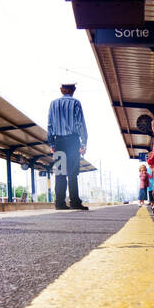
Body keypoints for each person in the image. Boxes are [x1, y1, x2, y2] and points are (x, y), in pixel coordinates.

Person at [47, 82, 88, 211]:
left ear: (61, 90)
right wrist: (83, 142)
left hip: (58, 141)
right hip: (72, 140)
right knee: (72, 173)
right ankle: (74, 202)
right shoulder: (76, 102)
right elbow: (80, 123)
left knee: (60, 172)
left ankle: (59, 203)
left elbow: (49, 124)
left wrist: (52, 143)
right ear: (73, 90)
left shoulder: (53, 103)